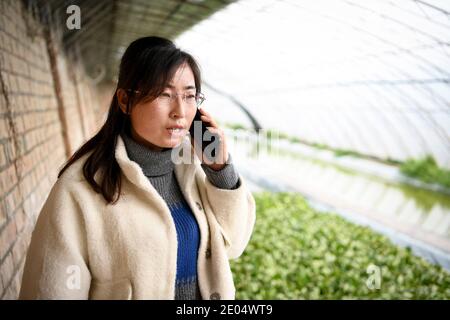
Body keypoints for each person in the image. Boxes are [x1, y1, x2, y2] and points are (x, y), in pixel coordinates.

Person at [19, 36, 256, 300]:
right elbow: (50, 290)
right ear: (125, 101)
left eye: (189, 96)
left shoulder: (196, 166)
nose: (180, 111)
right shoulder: (80, 189)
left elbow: (234, 244)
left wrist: (221, 169)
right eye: (164, 94)